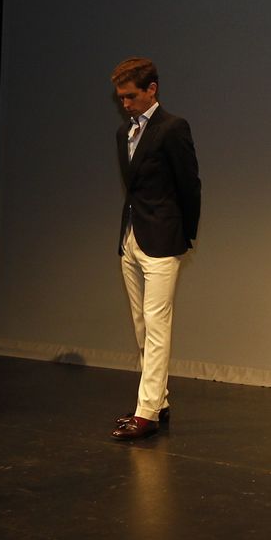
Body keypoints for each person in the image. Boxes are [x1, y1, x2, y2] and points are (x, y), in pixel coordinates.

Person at [111, 57, 200, 440]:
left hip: (162, 239)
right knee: (142, 324)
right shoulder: (123, 133)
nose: (125, 104)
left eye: (131, 96)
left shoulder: (172, 128)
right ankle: (158, 400)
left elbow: (189, 185)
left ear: (152, 89)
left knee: (158, 326)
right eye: (120, 98)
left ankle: (145, 413)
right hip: (131, 237)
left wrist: (185, 235)